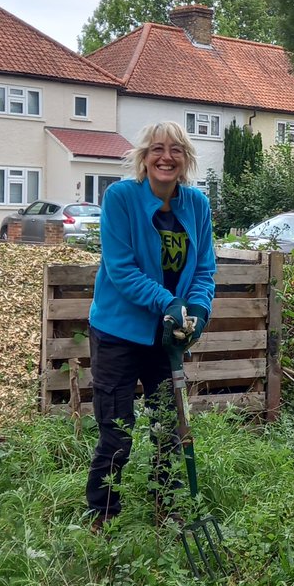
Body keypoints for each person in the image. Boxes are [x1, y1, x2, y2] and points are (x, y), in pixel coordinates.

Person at [85, 121, 216, 529]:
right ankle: (103, 515)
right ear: (144, 157)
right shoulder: (121, 198)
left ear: (186, 159)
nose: (166, 157)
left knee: (169, 427)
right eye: (158, 149)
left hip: (167, 337)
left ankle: (167, 509)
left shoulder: (196, 205)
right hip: (118, 333)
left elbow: (205, 269)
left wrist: (197, 309)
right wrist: (167, 302)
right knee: (117, 430)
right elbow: (121, 270)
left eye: (176, 150)